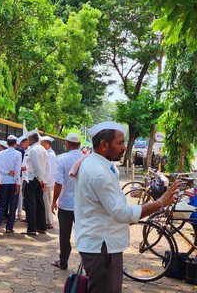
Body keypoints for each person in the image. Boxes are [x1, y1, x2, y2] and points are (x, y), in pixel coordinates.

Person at [74, 121, 179, 293]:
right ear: (103, 145)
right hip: (102, 247)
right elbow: (122, 213)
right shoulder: (99, 172)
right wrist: (160, 203)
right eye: (120, 143)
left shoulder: (98, 164)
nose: (124, 147)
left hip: (101, 245)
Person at [50, 133, 83, 271]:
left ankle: (63, 262)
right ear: (79, 145)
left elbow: (58, 183)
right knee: (83, 234)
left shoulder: (62, 160)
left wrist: (54, 201)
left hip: (66, 204)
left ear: (67, 144)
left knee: (65, 234)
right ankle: (87, 264)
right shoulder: (86, 159)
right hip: (83, 205)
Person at [0, 135, 22, 233]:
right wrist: (17, 183)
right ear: (15, 144)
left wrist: (6, 172)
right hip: (13, 181)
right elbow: (17, 169)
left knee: (1, 204)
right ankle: (9, 227)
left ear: (7, 143)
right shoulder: (18, 154)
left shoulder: (1, 154)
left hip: (3, 180)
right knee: (13, 205)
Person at [23, 129, 48, 235]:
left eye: (28, 139)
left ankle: (32, 228)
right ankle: (41, 226)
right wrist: (43, 179)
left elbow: (38, 166)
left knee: (29, 202)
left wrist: (40, 179)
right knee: (39, 202)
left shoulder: (33, 150)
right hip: (38, 179)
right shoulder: (43, 149)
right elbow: (46, 166)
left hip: (33, 178)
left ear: (31, 139)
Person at [40, 136, 56, 229]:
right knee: (45, 201)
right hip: (46, 181)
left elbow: (51, 170)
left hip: (48, 182)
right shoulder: (47, 153)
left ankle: (49, 221)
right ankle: (46, 219)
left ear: (46, 144)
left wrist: (46, 182)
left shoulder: (51, 155)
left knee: (47, 202)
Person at [16, 136, 28, 220]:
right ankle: (19, 213)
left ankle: (18, 213)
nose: (21, 146)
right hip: (19, 175)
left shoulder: (22, 151)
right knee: (19, 194)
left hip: (17, 174)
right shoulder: (22, 151)